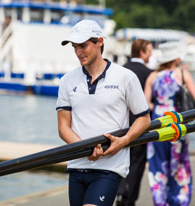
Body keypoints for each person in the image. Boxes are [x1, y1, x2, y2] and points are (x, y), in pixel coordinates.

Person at [56, 19, 151, 206]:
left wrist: (123, 141)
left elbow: (144, 118)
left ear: (100, 42)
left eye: (83, 46)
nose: (78, 52)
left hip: (110, 167)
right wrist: (86, 150)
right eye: (75, 47)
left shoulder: (125, 77)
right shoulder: (67, 81)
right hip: (77, 165)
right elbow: (63, 127)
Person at [144, 41, 195, 206]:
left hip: (157, 122)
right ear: (176, 57)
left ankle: (160, 201)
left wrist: (159, 106)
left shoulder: (153, 76)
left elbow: (145, 104)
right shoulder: (182, 73)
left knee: (157, 164)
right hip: (176, 122)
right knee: (179, 164)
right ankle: (179, 200)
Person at [116, 39, 153, 206]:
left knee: (119, 160)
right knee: (137, 164)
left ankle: (118, 191)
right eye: (149, 51)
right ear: (142, 52)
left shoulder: (119, 70)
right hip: (139, 125)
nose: (151, 54)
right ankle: (128, 199)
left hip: (119, 125)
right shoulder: (149, 73)